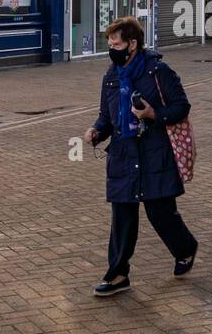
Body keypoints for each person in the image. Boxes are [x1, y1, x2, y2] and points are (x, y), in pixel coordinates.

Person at [83, 17, 198, 297]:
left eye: (117, 44)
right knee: (122, 217)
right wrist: (97, 131)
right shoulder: (111, 75)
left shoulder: (157, 71)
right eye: (109, 44)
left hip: (154, 153)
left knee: (161, 214)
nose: (112, 49)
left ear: (132, 44)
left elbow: (181, 106)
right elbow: (105, 115)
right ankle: (118, 275)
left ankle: (185, 249)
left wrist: (153, 114)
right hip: (123, 154)